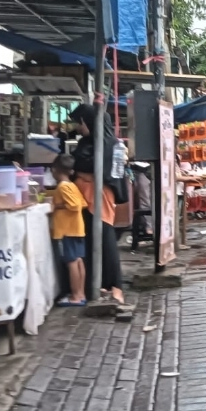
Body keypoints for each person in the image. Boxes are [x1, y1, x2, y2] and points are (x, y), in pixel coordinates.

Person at [69, 104, 125, 304]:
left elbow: (94, 167)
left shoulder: (107, 143)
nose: (78, 127)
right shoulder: (93, 141)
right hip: (89, 194)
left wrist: (81, 172)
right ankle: (100, 282)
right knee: (93, 240)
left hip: (99, 194)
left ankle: (116, 286)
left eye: (80, 122)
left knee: (105, 239)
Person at [50, 154, 87, 307]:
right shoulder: (72, 185)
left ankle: (75, 296)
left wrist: (57, 206)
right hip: (77, 228)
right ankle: (81, 293)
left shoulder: (63, 187)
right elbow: (83, 203)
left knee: (71, 262)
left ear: (54, 170)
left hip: (67, 230)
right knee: (78, 261)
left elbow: (74, 206)